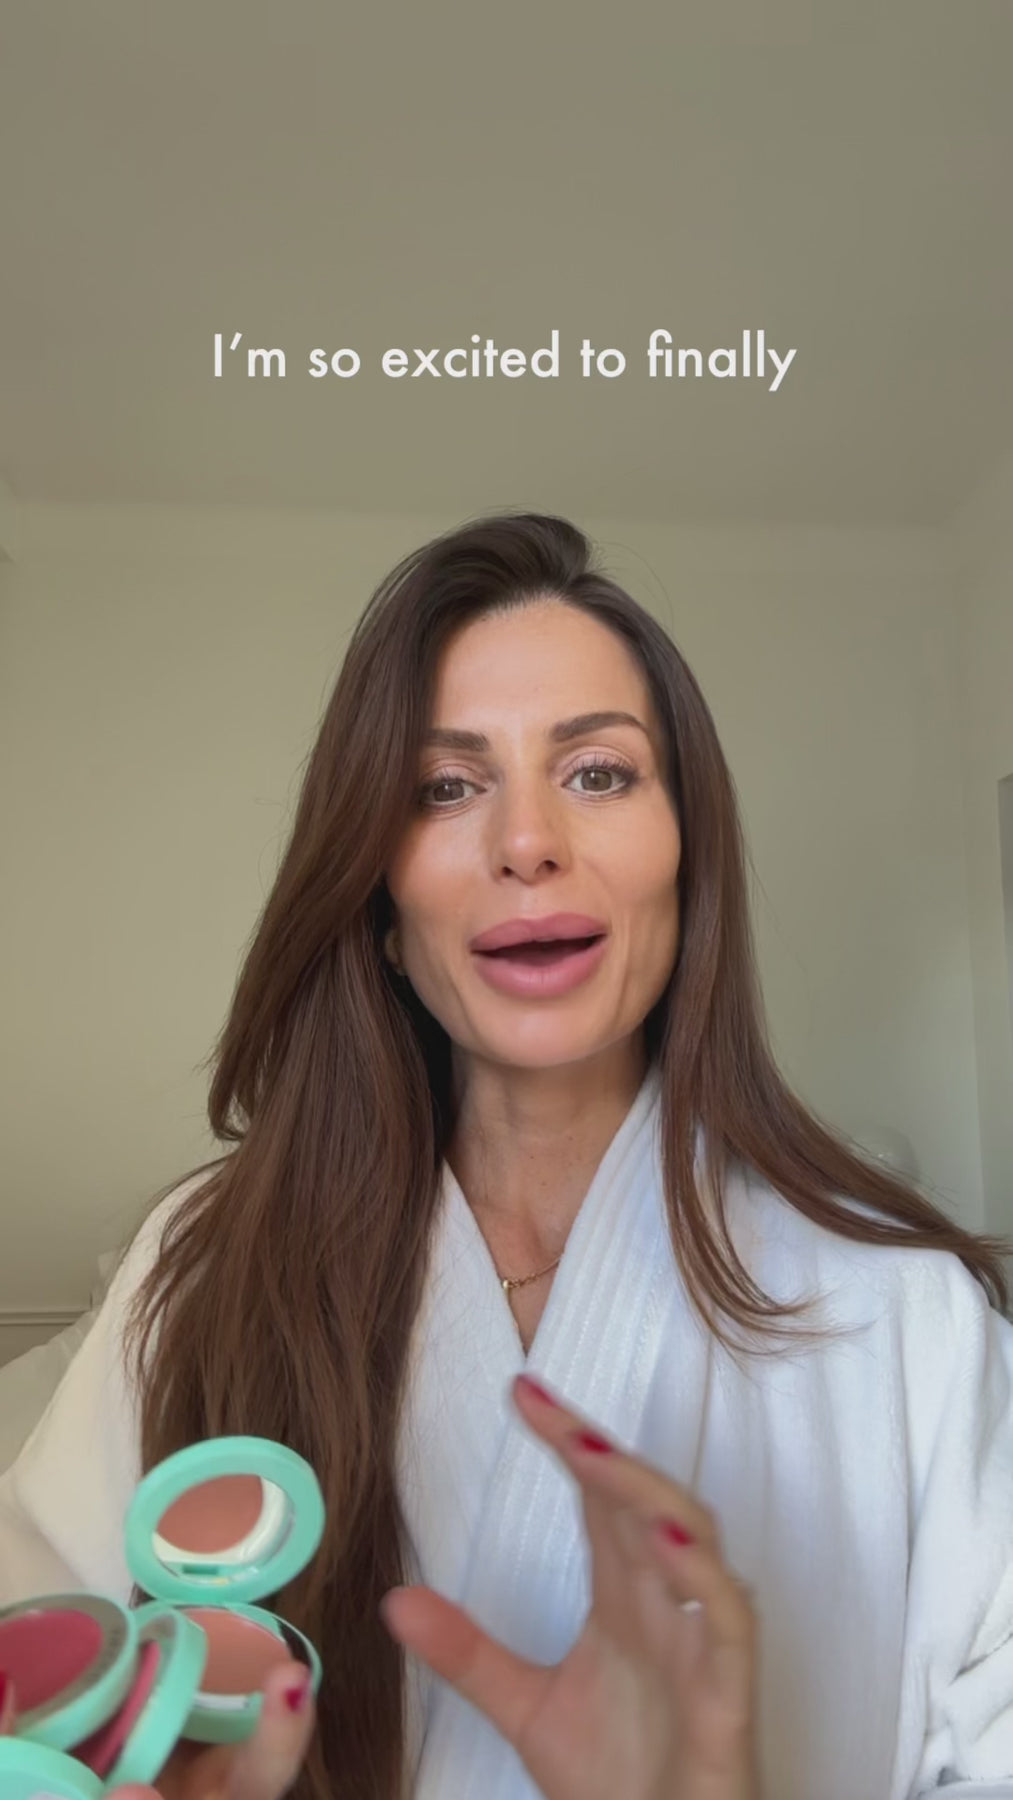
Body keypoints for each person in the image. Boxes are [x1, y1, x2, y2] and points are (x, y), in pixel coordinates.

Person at [1, 510, 1011, 1800]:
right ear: (377, 898)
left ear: (689, 859)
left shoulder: (903, 1316)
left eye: (598, 773)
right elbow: (44, 1698)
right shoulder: (205, 1268)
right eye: (445, 787)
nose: (527, 841)